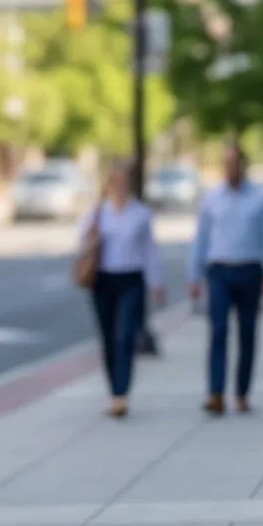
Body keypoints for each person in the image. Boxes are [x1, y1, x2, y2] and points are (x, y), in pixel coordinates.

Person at [190, 140, 263, 415]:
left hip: (249, 270)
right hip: (219, 271)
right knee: (218, 331)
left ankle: (242, 392)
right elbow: (201, 238)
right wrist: (194, 274)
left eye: (235, 162)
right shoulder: (211, 198)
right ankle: (216, 392)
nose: (230, 167)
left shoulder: (259, 197)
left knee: (247, 333)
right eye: (226, 163)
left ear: (242, 165)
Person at [78, 163, 157, 418]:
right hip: (103, 280)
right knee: (108, 337)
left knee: (124, 336)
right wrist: (91, 239)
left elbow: (149, 250)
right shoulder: (97, 213)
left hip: (132, 279)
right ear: (109, 184)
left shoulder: (141, 214)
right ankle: (114, 391)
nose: (120, 187)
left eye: (124, 182)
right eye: (116, 182)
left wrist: (156, 282)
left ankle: (122, 394)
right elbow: (81, 244)